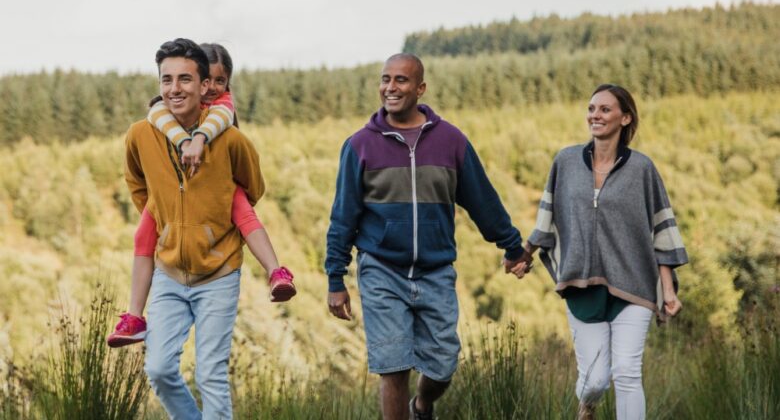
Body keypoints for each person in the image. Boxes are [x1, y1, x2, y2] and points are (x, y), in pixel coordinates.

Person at [325, 53, 527, 420]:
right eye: (385, 79)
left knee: (442, 366)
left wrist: (512, 246)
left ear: (420, 88)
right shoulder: (359, 146)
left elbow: (483, 200)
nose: (390, 87)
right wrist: (335, 277)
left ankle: (422, 405)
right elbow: (343, 217)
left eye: (401, 80)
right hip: (381, 270)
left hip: (435, 271)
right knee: (393, 366)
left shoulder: (451, 141)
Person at [510, 84, 688, 420]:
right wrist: (526, 252)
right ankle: (587, 404)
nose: (596, 115)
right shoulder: (565, 161)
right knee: (594, 381)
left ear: (625, 117)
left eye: (605, 109)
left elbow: (662, 231)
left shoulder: (642, 169)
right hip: (581, 282)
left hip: (634, 284)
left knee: (627, 372)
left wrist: (667, 291)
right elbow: (547, 216)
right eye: (592, 108)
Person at [108, 43, 295, 348]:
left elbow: (252, 183)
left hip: (219, 191)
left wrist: (200, 146)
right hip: (171, 207)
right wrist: (164, 209)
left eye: (220, 82)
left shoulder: (222, 110)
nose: (212, 89)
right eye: (209, 80)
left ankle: (277, 271)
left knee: (244, 212)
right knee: (143, 235)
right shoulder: (155, 117)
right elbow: (154, 124)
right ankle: (134, 315)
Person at [124, 38, 268, 418]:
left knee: (210, 375)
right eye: (166, 79)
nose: (174, 88)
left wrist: (212, 215)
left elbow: (254, 187)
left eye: (184, 79)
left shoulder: (230, 138)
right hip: (169, 273)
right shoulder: (141, 134)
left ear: (204, 85)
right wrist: (169, 219)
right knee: (158, 368)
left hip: (219, 273)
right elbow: (138, 184)